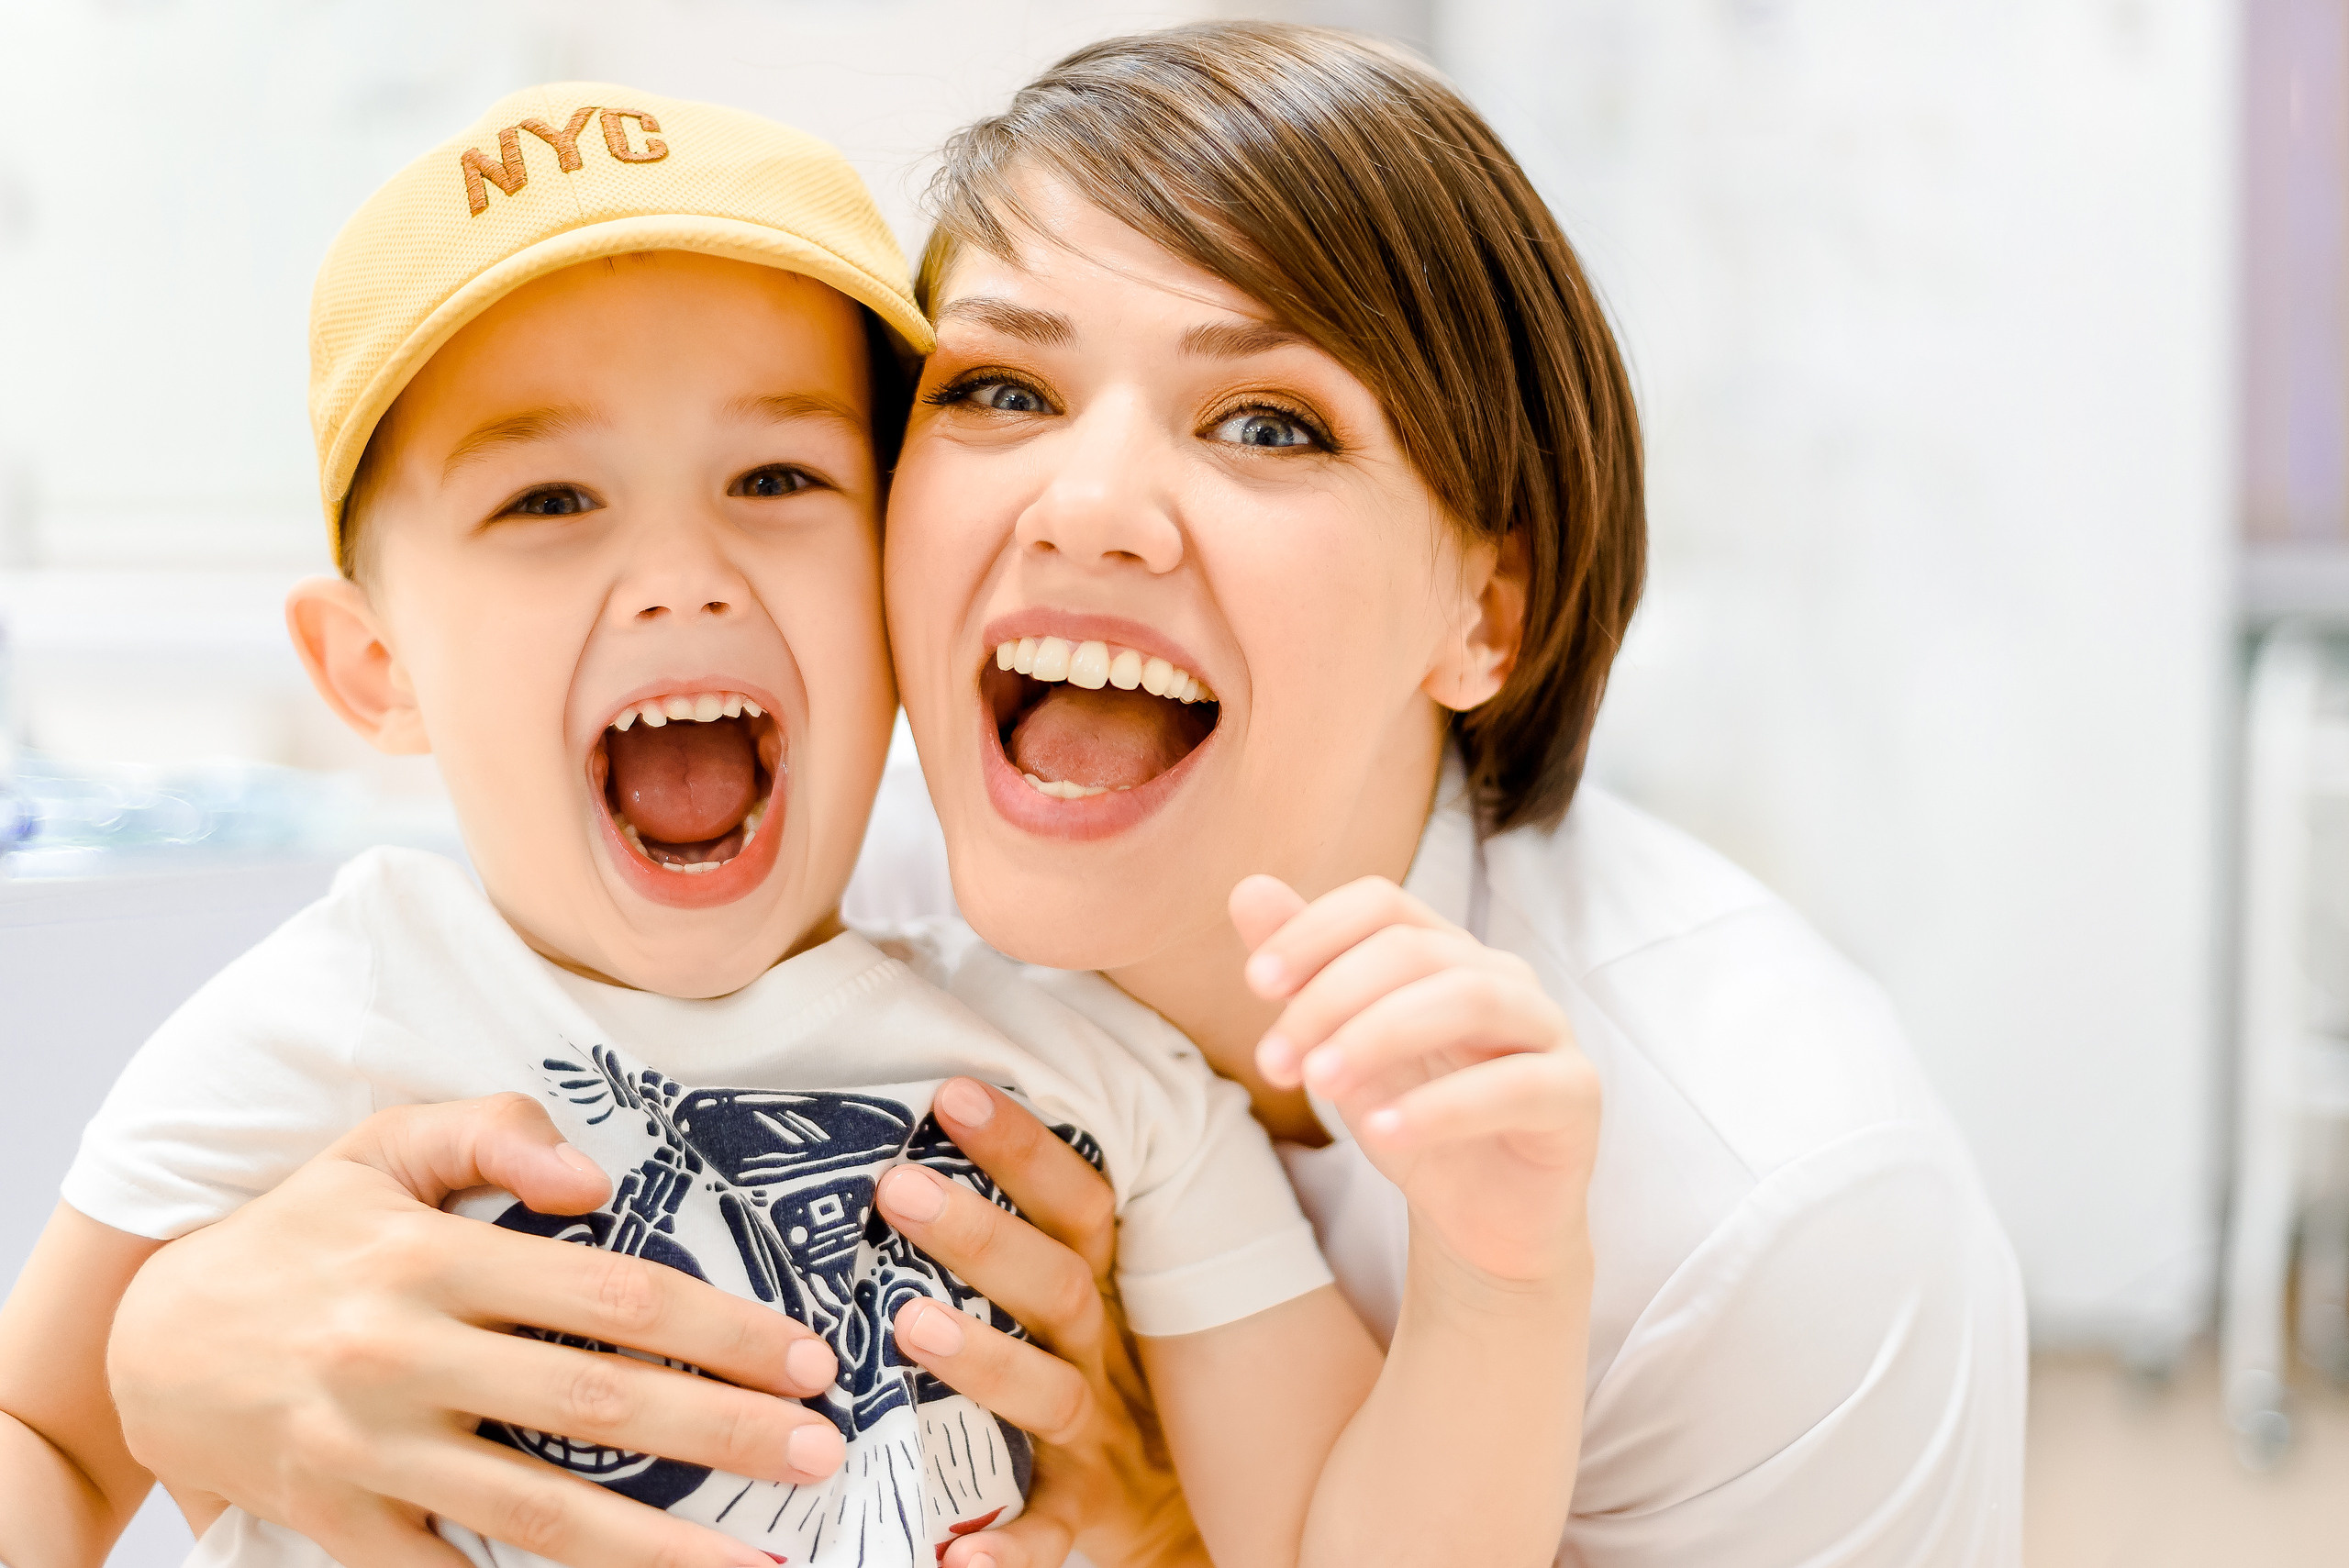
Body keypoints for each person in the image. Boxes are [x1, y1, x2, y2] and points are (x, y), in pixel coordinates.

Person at [97, 22, 2027, 1568]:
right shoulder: (825, 832)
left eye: (1265, 421)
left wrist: (1245, 1492)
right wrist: (159, 1352)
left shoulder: (1776, 1211)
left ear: (1484, 606)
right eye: (999, 390)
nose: (1081, 508)